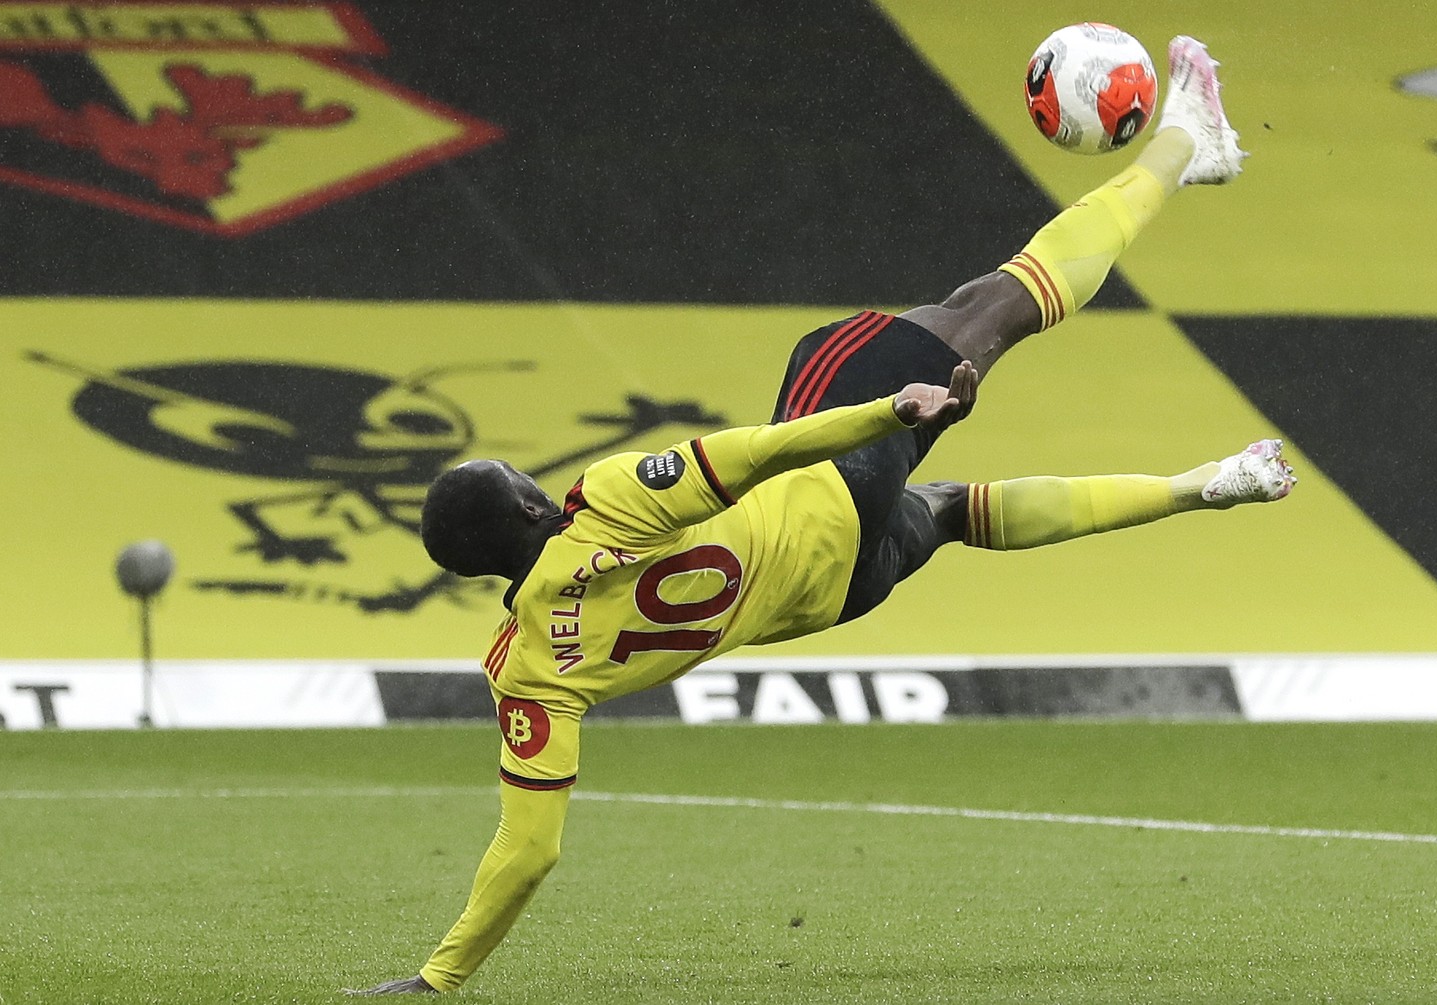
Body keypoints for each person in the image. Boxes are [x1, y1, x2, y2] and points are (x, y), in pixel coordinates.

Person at [350, 36, 1293, 995]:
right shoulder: (606, 505)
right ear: (524, 501)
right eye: (519, 476)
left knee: (960, 512)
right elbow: (757, 451)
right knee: (988, 306)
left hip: (832, 592)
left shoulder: (528, 675)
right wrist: (891, 411)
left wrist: (438, 979)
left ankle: (1199, 486)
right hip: (835, 482)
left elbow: (529, 851)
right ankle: (1184, 142)